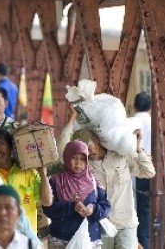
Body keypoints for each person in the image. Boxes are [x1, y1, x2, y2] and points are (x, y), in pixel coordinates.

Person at [61, 105, 156, 249]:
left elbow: (149, 172)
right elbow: (62, 151)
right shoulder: (85, 166)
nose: (87, 152)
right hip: (101, 225)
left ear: (97, 140)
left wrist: (138, 148)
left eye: (89, 147)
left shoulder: (121, 155)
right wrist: (72, 119)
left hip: (126, 224)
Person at [42, 140, 111, 248]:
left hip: (90, 242)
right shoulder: (56, 182)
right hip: (61, 242)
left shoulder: (94, 181)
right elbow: (48, 209)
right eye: (74, 158)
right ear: (67, 157)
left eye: (83, 159)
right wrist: (72, 207)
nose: (78, 163)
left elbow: (106, 207)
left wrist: (93, 209)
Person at [0, 127, 53, 232]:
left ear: (10, 146)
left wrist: (42, 172)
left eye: (2, 143)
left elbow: (47, 201)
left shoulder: (29, 172)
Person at [129, 92, 152, 249]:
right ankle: (147, 242)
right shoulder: (154, 122)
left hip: (134, 172)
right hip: (151, 170)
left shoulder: (130, 122)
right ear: (150, 107)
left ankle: (138, 243)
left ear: (134, 105)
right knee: (147, 211)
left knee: (133, 210)